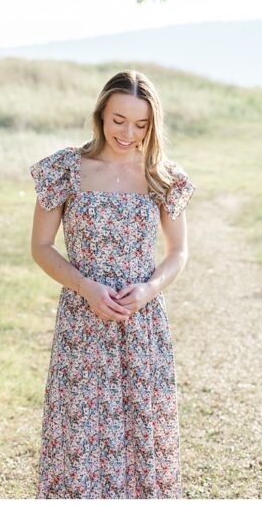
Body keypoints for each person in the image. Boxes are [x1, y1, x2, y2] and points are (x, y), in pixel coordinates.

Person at [29, 70, 195, 498]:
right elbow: (42, 247)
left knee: (143, 432)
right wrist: (86, 287)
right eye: (119, 119)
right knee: (80, 434)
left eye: (141, 124)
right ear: (101, 112)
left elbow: (178, 253)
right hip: (83, 323)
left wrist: (147, 290)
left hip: (141, 325)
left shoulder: (162, 176)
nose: (128, 133)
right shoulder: (64, 169)